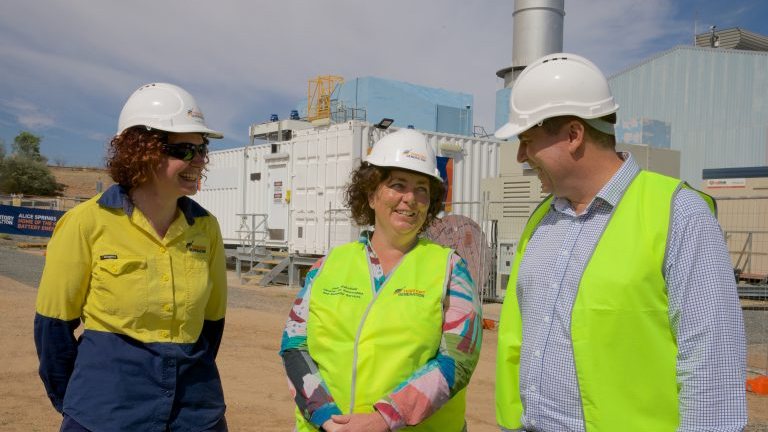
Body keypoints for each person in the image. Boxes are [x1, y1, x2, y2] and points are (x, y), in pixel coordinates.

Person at [494, 53, 747, 431]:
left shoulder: (679, 214)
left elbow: (712, 371)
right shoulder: (541, 220)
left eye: (527, 140)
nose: (521, 156)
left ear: (573, 136)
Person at [34, 83, 229, 431]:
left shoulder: (206, 229)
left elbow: (211, 326)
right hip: (107, 411)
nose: (199, 161)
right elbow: (53, 331)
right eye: (184, 150)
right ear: (141, 151)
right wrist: (82, 404)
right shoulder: (85, 223)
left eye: (202, 149)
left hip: (195, 412)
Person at [280, 129, 483, 431]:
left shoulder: (450, 270)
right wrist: (327, 418)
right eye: (397, 185)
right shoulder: (327, 267)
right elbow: (294, 345)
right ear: (372, 194)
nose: (410, 199)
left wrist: (384, 419)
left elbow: (458, 358)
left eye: (422, 189)